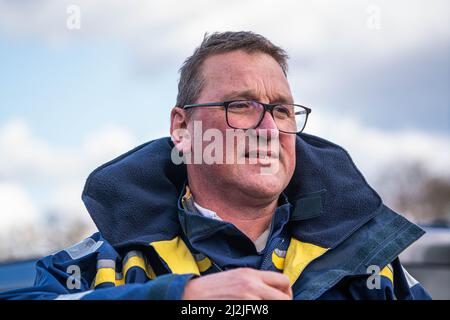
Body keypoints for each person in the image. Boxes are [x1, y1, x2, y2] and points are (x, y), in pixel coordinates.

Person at [0, 31, 431, 300]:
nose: (267, 128)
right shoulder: (104, 264)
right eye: (240, 105)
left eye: (281, 110)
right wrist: (180, 297)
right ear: (182, 127)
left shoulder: (374, 266)